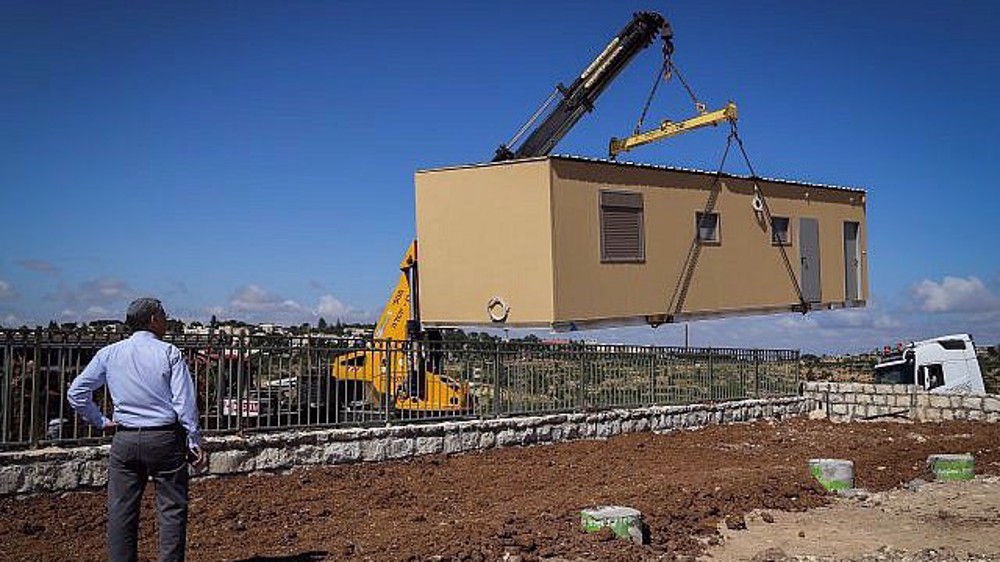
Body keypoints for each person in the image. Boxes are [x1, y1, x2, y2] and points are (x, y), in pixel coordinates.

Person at [68, 297, 204, 562]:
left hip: (125, 439)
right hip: (165, 439)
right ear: (153, 319)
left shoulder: (109, 353)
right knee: (172, 511)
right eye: (163, 314)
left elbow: (77, 392)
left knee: (121, 512)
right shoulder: (169, 353)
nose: (167, 319)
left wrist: (100, 421)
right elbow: (184, 403)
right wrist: (194, 441)